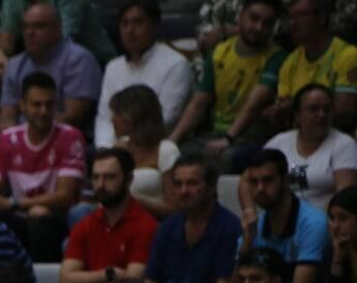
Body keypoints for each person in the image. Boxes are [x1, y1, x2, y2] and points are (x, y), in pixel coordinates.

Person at [169, 0, 285, 173]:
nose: (259, 27)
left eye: (267, 23)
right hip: (214, 134)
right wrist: (172, 141)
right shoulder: (219, 52)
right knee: (175, 154)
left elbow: (254, 104)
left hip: (251, 137)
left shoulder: (277, 57)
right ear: (240, 17)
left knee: (224, 159)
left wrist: (228, 138)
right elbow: (198, 103)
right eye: (254, 19)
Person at [0, 71, 86, 261]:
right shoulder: (7, 139)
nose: (43, 111)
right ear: (22, 106)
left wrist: (14, 203)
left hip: (57, 217)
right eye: (36, 105)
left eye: (49, 104)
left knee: (40, 215)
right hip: (19, 216)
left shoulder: (70, 137)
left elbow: (65, 196)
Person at [59, 147, 161, 283]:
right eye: (96, 177)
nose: (100, 185)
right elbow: (66, 282)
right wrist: (109, 274)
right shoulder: (85, 225)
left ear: (129, 179)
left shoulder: (146, 225)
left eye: (109, 177)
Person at [145, 153, 246, 283]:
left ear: (211, 186)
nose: (184, 191)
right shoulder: (168, 226)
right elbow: (152, 281)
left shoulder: (228, 227)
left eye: (192, 183)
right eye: (178, 184)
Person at [95, 0, 194, 148]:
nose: (129, 30)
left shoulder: (176, 64)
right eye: (124, 24)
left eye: (138, 23)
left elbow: (165, 119)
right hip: (114, 149)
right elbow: (104, 117)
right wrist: (105, 148)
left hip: (154, 147)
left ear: (154, 26)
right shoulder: (113, 67)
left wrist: (122, 147)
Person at [240, 146, 330, 283]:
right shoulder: (255, 225)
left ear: (285, 180)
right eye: (254, 182)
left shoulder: (313, 223)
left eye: (268, 180)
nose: (260, 188)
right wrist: (246, 245)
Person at [0, 2, 100, 136]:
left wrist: (28, 137)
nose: (30, 33)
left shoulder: (79, 59)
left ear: (57, 30)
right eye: (25, 27)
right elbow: (6, 115)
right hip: (22, 139)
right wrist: (6, 134)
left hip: (63, 139)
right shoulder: (15, 65)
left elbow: (72, 117)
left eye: (39, 26)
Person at [265, 82, 357, 210]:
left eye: (327, 109)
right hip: (283, 218)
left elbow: (345, 198)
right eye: (314, 109)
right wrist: (249, 209)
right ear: (297, 115)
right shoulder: (279, 142)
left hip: (324, 219)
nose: (321, 114)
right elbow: (248, 179)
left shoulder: (344, 144)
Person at [270, 0, 357, 133]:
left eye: (301, 15)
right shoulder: (290, 62)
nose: (292, 23)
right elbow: (283, 111)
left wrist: (295, 107)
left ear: (321, 18)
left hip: (335, 138)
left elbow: (345, 113)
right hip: (298, 137)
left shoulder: (348, 55)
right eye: (290, 17)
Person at [108, 84, 181, 219]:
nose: (112, 119)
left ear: (135, 117)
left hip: (155, 222)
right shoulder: (119, 148)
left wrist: (134, 201)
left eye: (118, 114)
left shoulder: (166, 150)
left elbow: (175, 208)